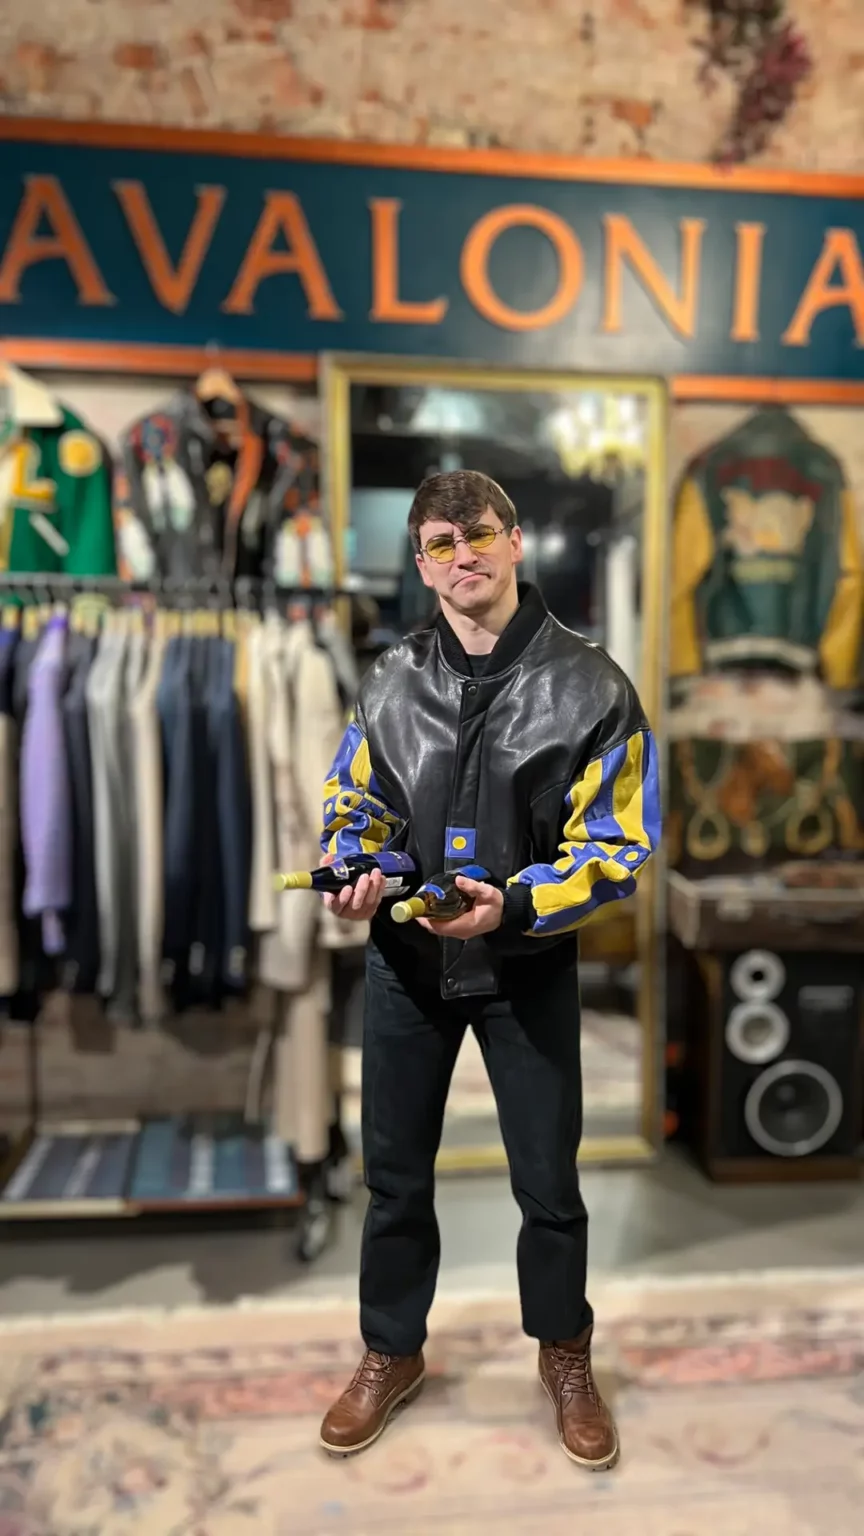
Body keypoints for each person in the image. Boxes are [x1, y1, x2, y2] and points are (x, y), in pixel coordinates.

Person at [316, 470, 661, 1469]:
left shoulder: (594, 687)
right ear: (421, 564)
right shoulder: (389, 680)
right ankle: (392, 1351)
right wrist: (357, 868)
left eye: (478, 534)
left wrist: (513, 905)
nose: (461, 554)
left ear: (515, 542)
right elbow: (355, 805)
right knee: (392, 1179)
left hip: (528, 965)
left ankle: (565, 1354)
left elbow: (616, 847)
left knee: (548, 1181)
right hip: (407, 965)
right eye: (439, 542)